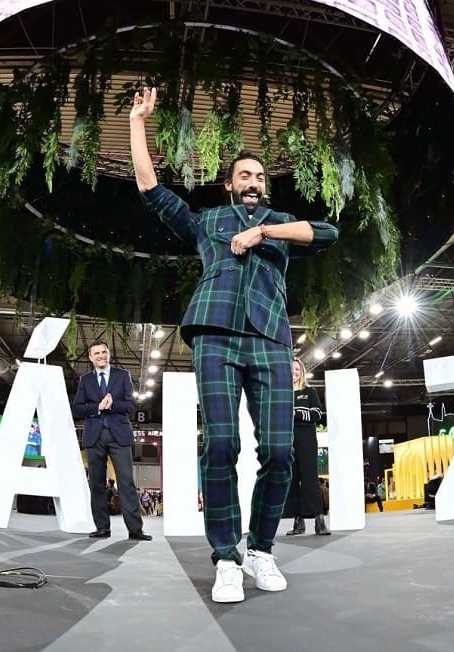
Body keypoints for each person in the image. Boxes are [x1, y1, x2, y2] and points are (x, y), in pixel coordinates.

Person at [131, 86, 339, 603]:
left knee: (279, 452)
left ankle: (260, 550)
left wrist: (266, 233)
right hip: (216, 334)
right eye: (244, 176)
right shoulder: (208, 222)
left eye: (260, 177)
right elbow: (151, 189)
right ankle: (226, 557)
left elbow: (329, 232)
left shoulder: (281, 226)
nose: (253, 182)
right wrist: (138, 121)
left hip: (270, 339)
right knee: (221, 445)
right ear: (229, 186)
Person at [72, 341, 149, 540]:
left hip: (119, 435)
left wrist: (113, 405)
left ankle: (135, 530)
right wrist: (98, 406)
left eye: (104, 352)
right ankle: (102, 528)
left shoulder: (122, 376)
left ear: (109, 354)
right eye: (96, 353)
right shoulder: (85, 380)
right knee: (96, 484)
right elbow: (78, 408)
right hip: (94, 436)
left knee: (127, 483)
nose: (100, 356)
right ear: (90, 357)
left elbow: (131, 406)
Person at [286, 359, 328, 536]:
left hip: (306, 439)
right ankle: (298, 522)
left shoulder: (309, 392)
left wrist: (296, 413)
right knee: (292, 480)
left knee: (310, 478)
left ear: (301, 371)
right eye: (291, 369)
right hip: (287, 439)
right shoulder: (283, 393)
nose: (294, 372)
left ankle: (319, 521)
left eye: (297, 369)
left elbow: (317, 413)